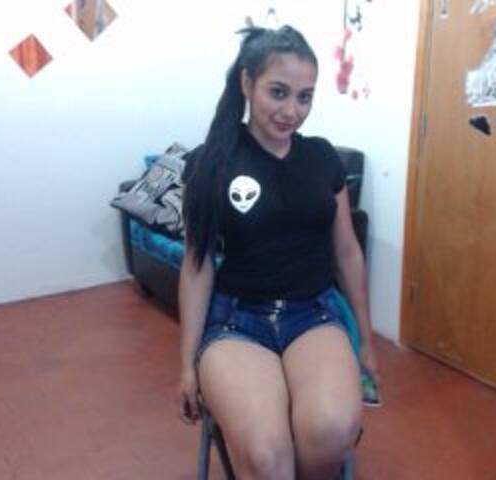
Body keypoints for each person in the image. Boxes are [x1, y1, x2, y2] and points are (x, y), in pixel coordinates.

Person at [178, 24, 378, 480]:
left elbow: (347, 253)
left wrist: (367, 340)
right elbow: (196, 265)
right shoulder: (209, 163)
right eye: (278, 92)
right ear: (247, 83)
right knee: (268, 457)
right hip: (236, 321)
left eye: (305, 97)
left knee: (332, 429)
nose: (292, 111)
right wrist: (186, 364)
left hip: (313, 314)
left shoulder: (322, 158)